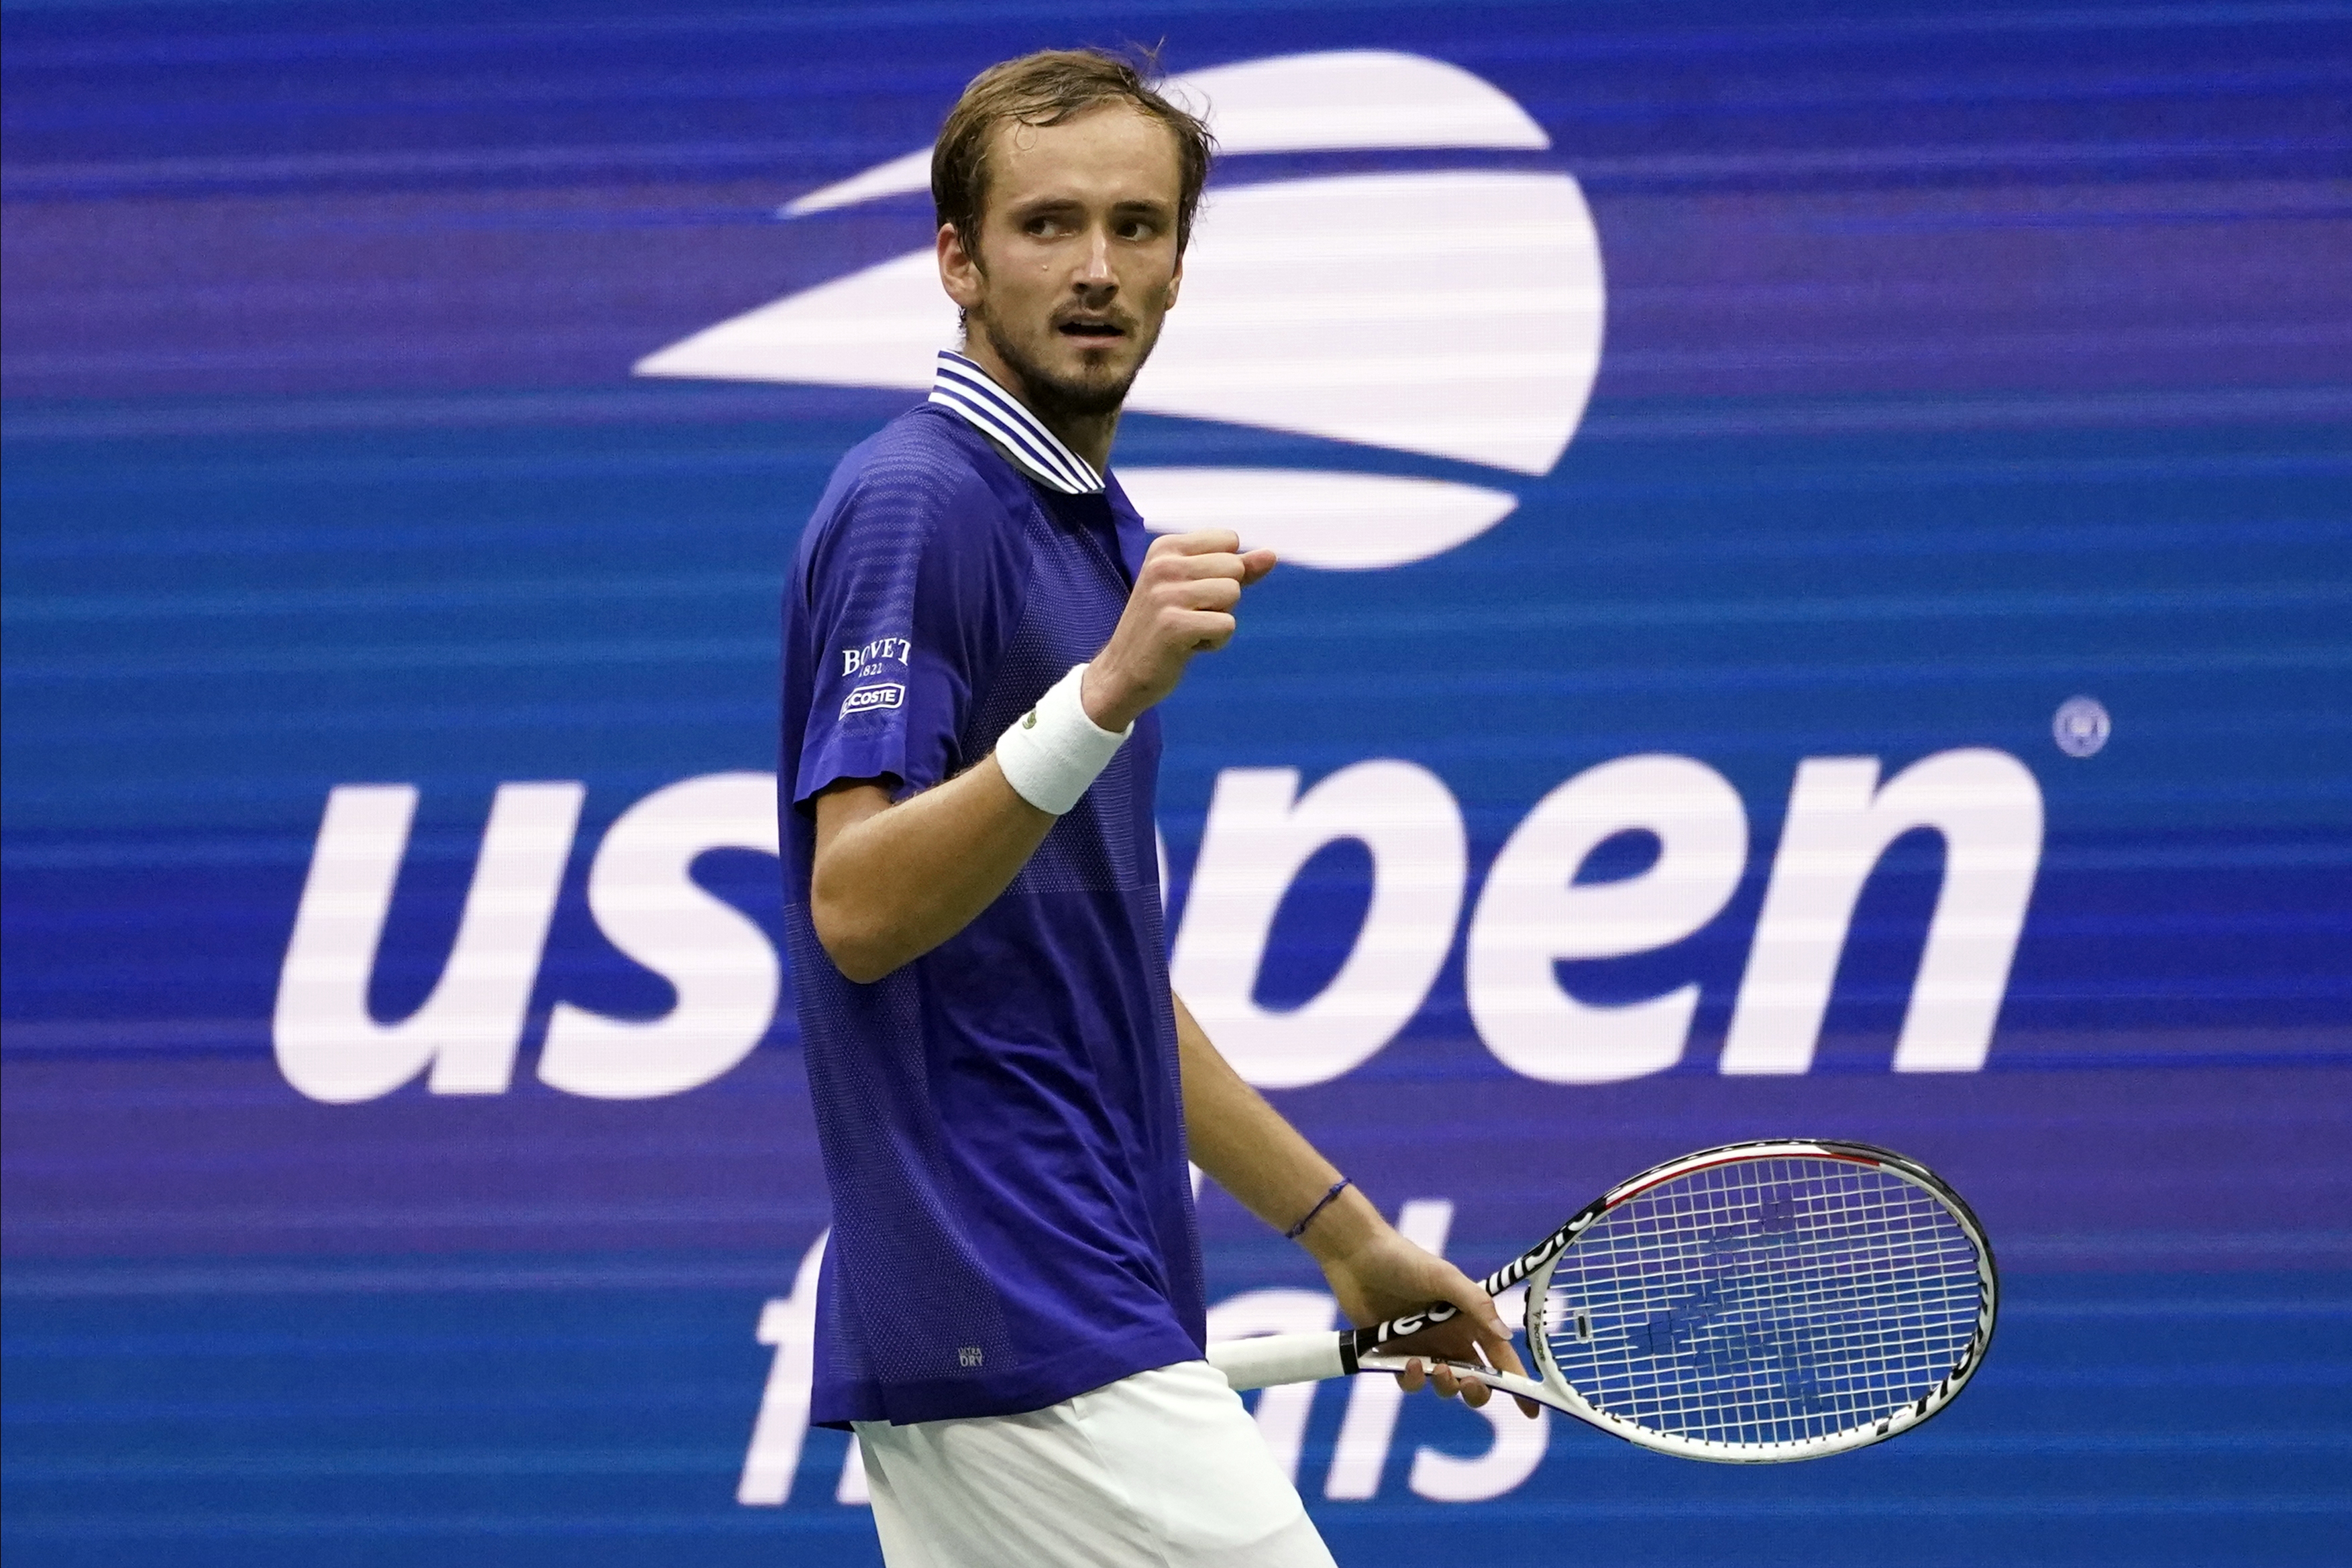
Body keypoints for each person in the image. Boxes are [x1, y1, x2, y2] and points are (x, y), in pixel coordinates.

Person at [778, 47, 1532, 1568]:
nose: (1097, 268)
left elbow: (1094, 981)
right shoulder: (918, 498)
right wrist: (1102, 694)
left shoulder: (1084, 529)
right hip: (1020, 1297)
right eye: (1047, 225)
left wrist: (1345, 1233)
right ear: (956, 261)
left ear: (1183, 264)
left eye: (1137, 227)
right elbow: (854, 906)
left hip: (1056, 1304)